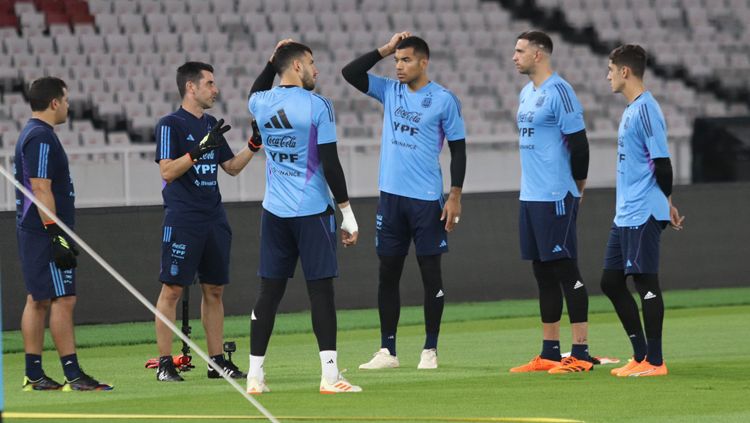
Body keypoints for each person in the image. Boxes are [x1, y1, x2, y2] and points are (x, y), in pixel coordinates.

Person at [342, 33, 467, 370]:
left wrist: (454, 195)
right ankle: (388, 351)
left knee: (430, 275)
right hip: (391, 198)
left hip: (427, 201)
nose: (398, 66)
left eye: (406, 60)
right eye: (396, 60)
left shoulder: (443, 100)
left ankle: (430, 349)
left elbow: (459, 149)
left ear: (424, 62)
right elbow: (349, 73)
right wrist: (382, 49)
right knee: (388, 274)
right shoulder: (390, 90)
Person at [246, 40, 361, 394]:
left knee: (269, 292)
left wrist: (270, 62)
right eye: (311, 63)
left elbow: (255, 89)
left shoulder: (259, 103)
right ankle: (330, 377)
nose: (317, 69)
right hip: (311, 212)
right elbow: (330, 163)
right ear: (297, 67)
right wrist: (347, 213)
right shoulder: (318, 106)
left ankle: (254, 377)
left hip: (273, 212)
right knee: (321, 292)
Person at [154, 62, 257, 382]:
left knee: (214, 289)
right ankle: (164, 363)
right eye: (210, 83)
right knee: (171, 290)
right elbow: (167, 172)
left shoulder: (211, 123)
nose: (216, 90)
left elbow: (231, 167)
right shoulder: (169, 124)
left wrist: (255, 143)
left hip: (214, 217)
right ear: (191, 87)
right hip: (184, 217)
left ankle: (216, 362)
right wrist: (197, 152)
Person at [15, 77, 112, 391]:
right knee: (63, 299)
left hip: (36, 229)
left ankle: (35, 374)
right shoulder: (40, 136)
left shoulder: (36, 134)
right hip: (43, 231)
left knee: (39, 300)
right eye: (66, 100)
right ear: (54, 102)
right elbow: (40, 188)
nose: (69, 106)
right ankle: (73, 375)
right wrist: (55, 234)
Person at [509, 31, 594, 374]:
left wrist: (578, 188)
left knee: (565, 269)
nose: (514, 56)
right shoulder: (526, 93)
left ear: (539, 54)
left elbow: (580, 144)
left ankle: (582, 352)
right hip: (530, 195)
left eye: (520, 51)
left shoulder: (561, 91)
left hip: (556, 195)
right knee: (542, 272)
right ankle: (550, 352)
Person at [602, 44, 685, 377]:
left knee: (646, 281)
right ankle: (640, 355)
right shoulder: (632, 109)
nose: (607, 76)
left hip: (642, 211)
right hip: (625, 212)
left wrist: (665, 202)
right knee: (610, 281)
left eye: (610, 70)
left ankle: (656, 361)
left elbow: (662, 163)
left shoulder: (647, 109)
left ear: (625, 71)